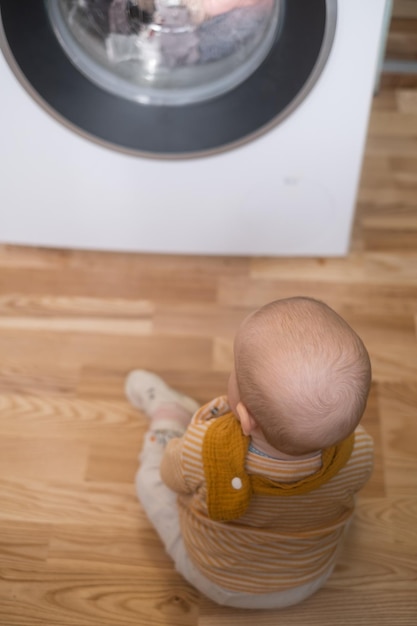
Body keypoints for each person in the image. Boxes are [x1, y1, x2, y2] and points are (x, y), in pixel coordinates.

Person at [125, 297, 374, 609]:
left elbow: (170, 478)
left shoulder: (202, 449)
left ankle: (167, 418)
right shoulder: (361, 450)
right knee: (342, 496)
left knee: (150, 480)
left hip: (216, 580)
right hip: (308, 578)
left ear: (244, 417)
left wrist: (179, 446)